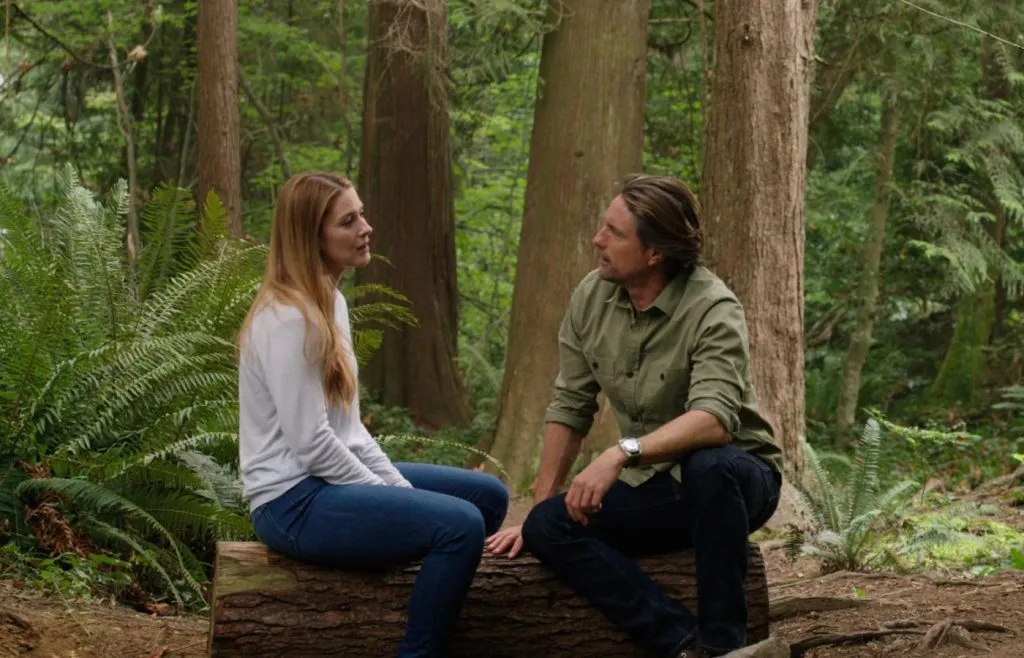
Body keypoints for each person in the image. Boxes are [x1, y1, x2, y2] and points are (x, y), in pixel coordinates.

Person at [485, 174, 782, 658]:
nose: (597, 240)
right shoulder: (591, 297)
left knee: (710, 464)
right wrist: (541, 506)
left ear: (654, 253)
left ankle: (728, 645)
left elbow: (715, 420)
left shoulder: (713, 307)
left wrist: (622, 452)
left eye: (614, 233)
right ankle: (685, 646)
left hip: (739, 481)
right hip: (660, 488)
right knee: (547, 528)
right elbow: (571, 404)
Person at [236, 172, 509, 658]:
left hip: (326, 483)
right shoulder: (287, 318)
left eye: (361, 213)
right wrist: (390, 495)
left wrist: (399, 494)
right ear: (311, 238)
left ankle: (414, 592)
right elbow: (312, 444)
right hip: (290, 502)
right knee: (461, 525)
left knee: (487, 497)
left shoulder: (331, 302)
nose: (366, 227)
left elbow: (350, 431)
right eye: (349, 220)